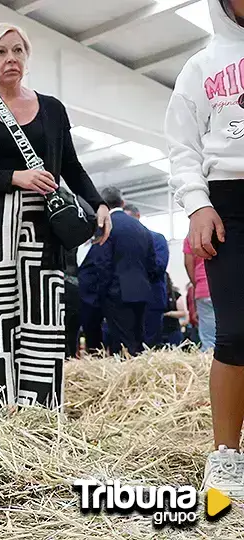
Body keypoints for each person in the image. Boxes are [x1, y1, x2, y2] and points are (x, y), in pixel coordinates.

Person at [0, 23, 110, 411]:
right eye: (1, 52)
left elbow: (71, 165)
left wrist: (98, 203)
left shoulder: (52, 109)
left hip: (43, 234)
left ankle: (40, 416)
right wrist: (14, 177)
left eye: (18, 50)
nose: (11, 59)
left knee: (44, 326)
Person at [166, 0, 244, 497]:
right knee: (235, 333)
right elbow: (182, 146)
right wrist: (196, 206)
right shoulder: (201, 65)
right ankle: (226, 456)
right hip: (229, 204)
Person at [96, 188, 158, 357]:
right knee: (138, 341)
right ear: (122, 204)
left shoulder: (107, 226)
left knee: (121, 343)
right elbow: (153, 263)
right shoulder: (141, 228)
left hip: (117, 292)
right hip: (142, 291)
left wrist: (102, 292)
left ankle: (126, 381)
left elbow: (103, 263)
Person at [123, 203, 170, 348]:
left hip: (152, 298)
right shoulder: (123, 243)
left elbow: (159, 267)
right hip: (128, 299)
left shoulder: (157, 238)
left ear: (138, 216)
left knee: (151, 342)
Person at [183, 235, 215, 351]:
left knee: (209, 341)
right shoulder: (225, 227)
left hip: (204, 289)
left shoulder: (191, 237)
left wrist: (197, 285)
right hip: (229, 288)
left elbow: (188, 264)